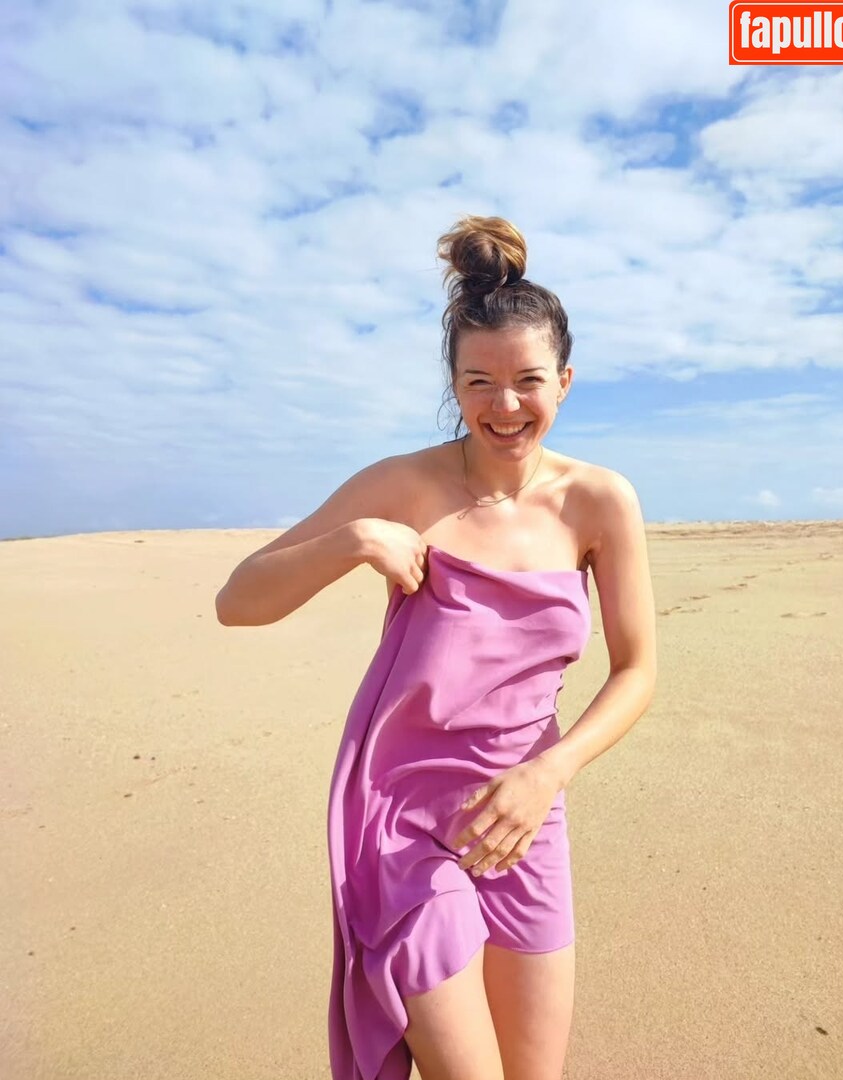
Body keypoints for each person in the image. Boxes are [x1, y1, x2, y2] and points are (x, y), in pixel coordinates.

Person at [215, 214, 657, 1080]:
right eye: (479, 382)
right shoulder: (403, 484)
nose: (505, 406)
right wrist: (352, 542)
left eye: (527, 381)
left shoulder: (600, 502)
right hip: (403, 824)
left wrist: (548, 774)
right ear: (454, 385)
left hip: (524, 815)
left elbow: (638, 670)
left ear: (565, 382)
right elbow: (240, 602)